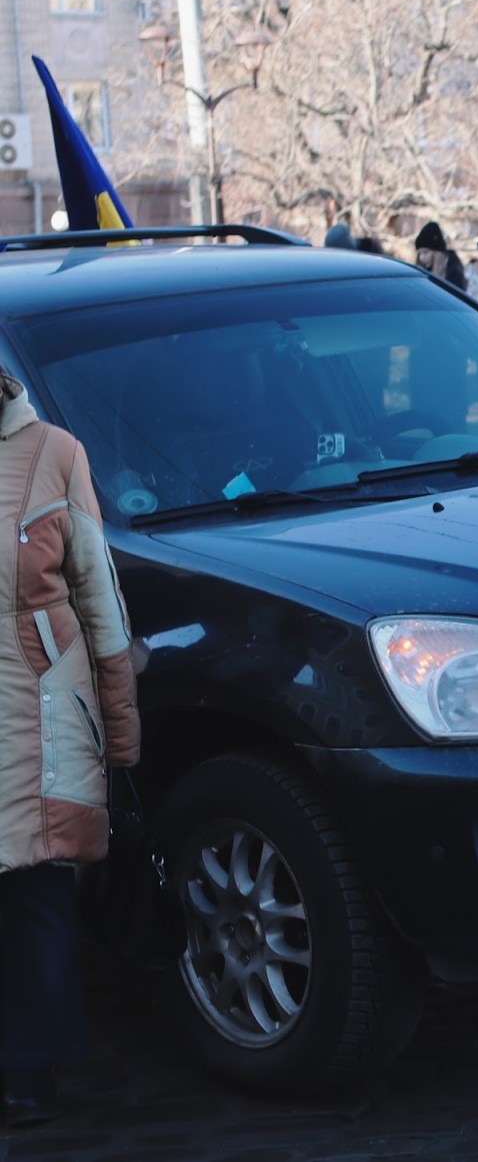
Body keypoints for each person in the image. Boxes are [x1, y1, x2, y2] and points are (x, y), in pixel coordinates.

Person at [0, 372, 139, 1124]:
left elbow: (100, 601)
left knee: (35, 891)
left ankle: (31, 1067)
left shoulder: (55, 453)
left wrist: (120, 736)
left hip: (39, 715)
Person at [413, 221, 467, 290]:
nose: (421, 258)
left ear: (437, 253)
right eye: (419, 253)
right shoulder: (423, 270)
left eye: (425, 252)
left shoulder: (453, 273)